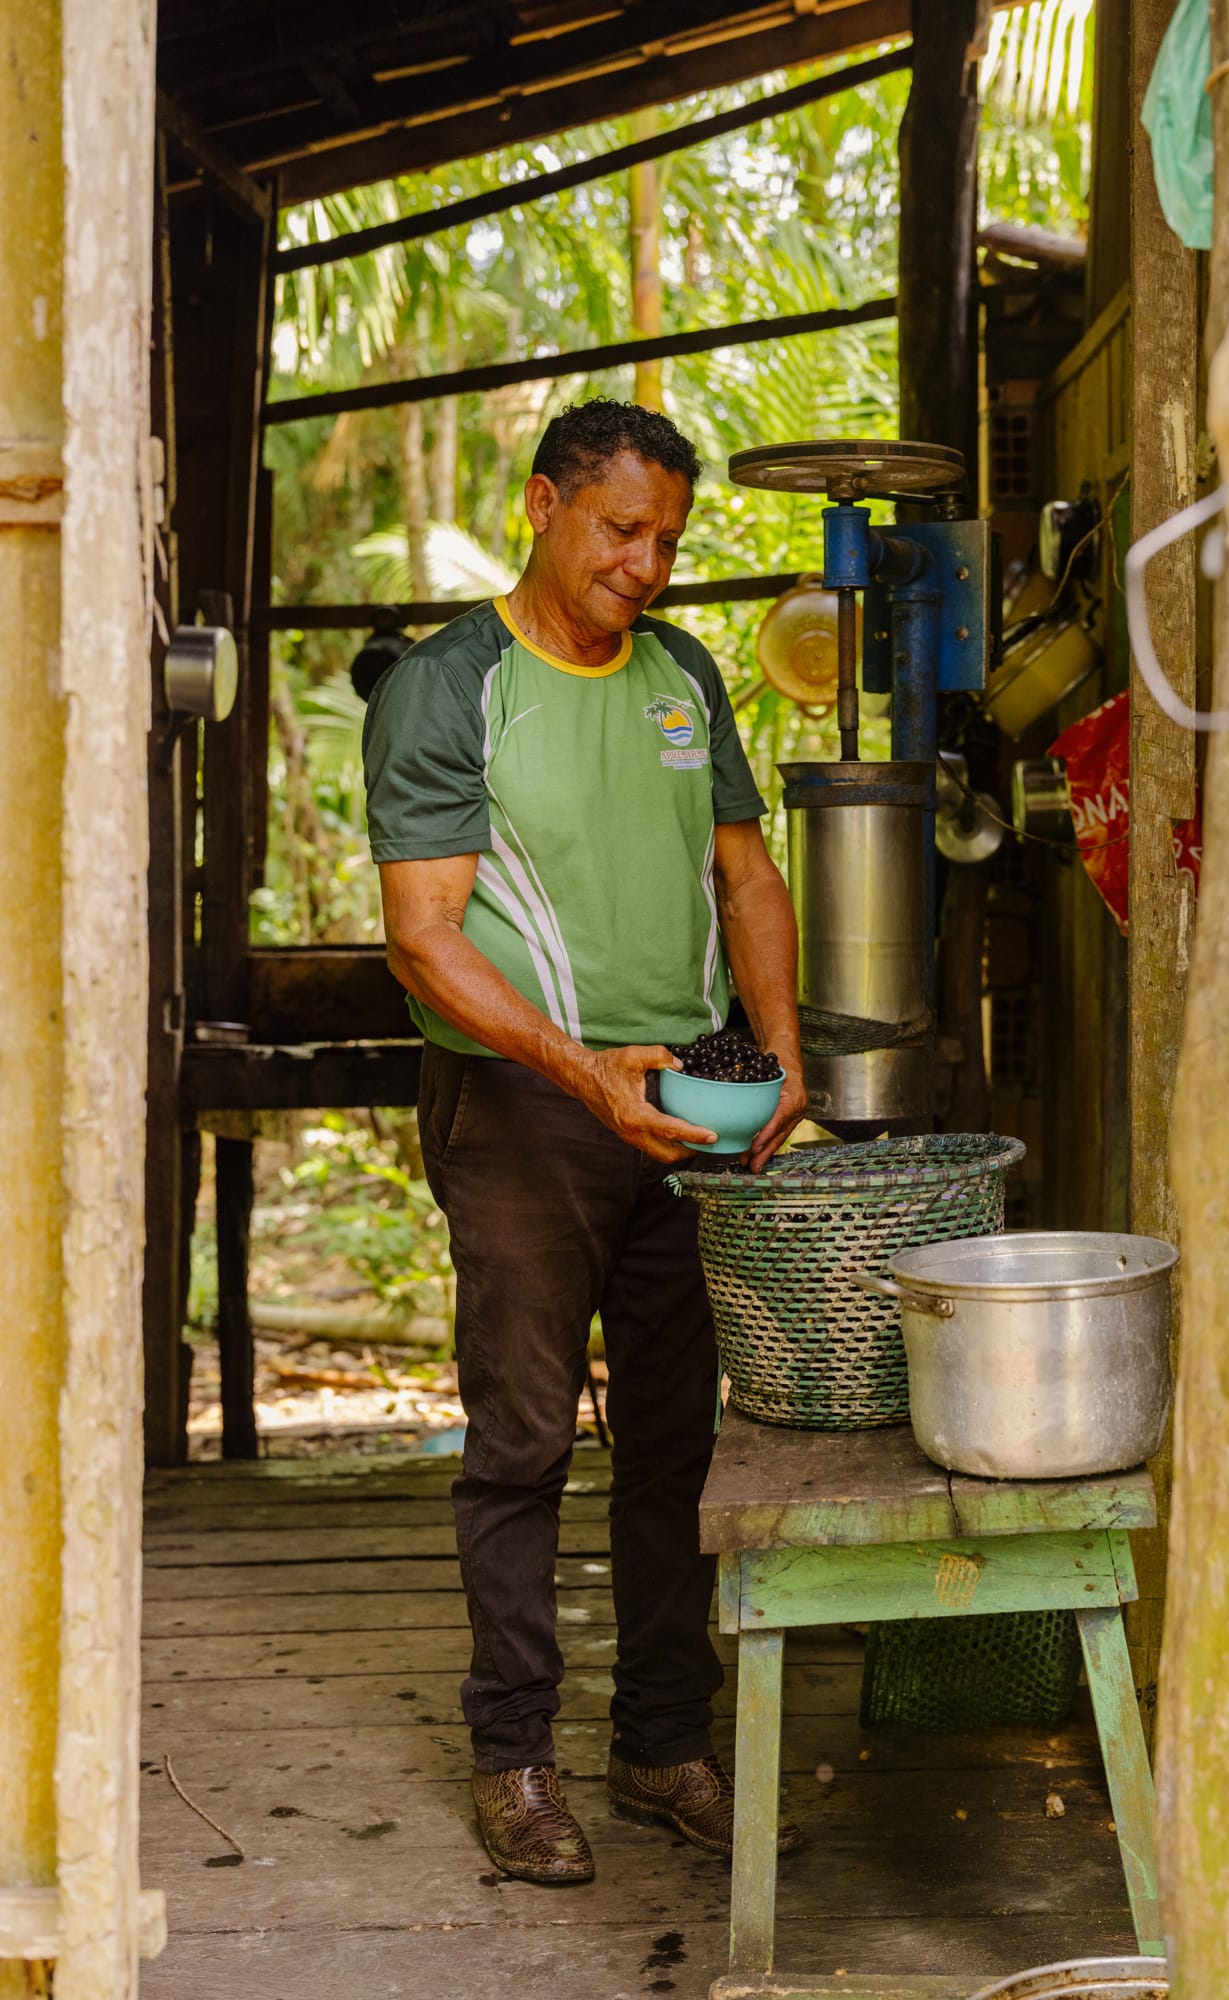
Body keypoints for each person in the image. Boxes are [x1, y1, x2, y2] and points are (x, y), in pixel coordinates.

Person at [362, 399, 806, 1885]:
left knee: (680, 1438)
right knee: (524, 1439)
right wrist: (581, 1075)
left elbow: (747, 876)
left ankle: (663, 1743)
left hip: (685, 1103)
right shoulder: (450, 684)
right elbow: (426, 944)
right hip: (520, 1109)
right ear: (544, 506)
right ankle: (516, 1760)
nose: (649, 565)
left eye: (670, 538)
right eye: (623, 530)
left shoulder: (683, 676)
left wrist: (778, 1055)